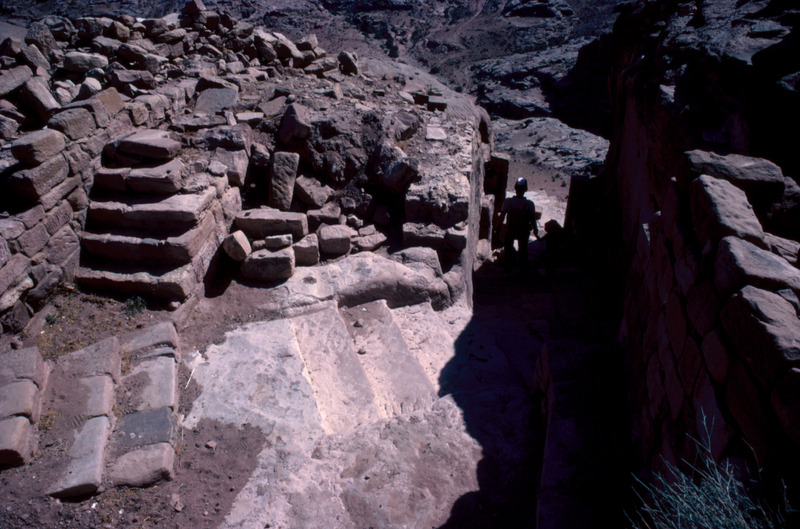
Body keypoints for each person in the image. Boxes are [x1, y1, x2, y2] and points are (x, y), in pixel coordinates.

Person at [499, 177, 539, 277]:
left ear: (515, 188)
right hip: (523, 231)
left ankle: (507, 272)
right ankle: (523, 272)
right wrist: (535, 230)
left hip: (510, 230)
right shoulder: (529, 204)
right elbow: (533, 219)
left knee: (508, 251)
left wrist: (497, 227)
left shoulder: (508, 202)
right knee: (523, 251)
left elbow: (502, 216)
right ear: (525, 190)